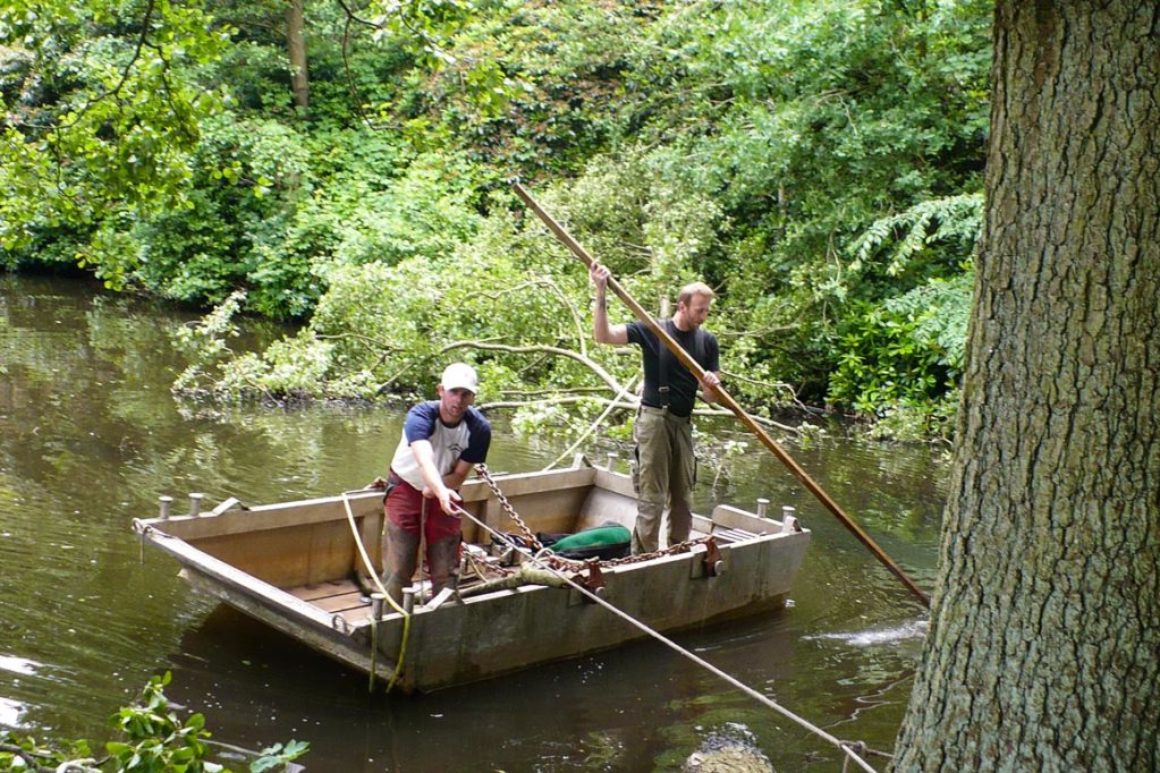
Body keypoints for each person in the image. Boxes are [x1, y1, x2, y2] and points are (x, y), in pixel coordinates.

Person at [589, 263, 721, 554]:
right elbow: (604, 336)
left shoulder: (707, 342)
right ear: (682, 306)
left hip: (683, 425)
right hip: (654, 421)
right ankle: (644, 560)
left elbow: (712, 398)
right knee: (652, 499)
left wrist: (710, 385)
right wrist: (601, 293)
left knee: (684, 500)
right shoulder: (653, 330)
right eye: (700, 309)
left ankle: (677, 555)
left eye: (707, 310)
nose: (704, 315)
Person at [382, 362, 491, 603]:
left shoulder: (479, 429)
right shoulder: (420, 415)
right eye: (453, 392)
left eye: (466, 394)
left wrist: (440, 490)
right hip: (406, 486)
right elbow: (424, 460)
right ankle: (390, 619)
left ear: (473, 397)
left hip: (448, 491)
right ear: (441, 390)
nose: (458, 400)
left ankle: (442, 618)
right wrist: (438, 490)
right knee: (399, 566)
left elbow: (460, 474)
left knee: (445, 566)